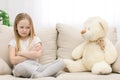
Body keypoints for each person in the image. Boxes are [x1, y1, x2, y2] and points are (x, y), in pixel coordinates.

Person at [8, 13, 65, 78]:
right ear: (16, 27)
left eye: (27, 27)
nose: (24, 30)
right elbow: (13, 60)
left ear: (31, 28)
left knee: (62, 62)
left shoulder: (35, 39)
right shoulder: (13, 42)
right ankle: (46, 73)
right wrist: (30, 53)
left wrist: (20, 53)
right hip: (21, 68)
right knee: (20, 67)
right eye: (21, 27)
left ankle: (40, 75)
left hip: (36, 67)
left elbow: (37, 55)